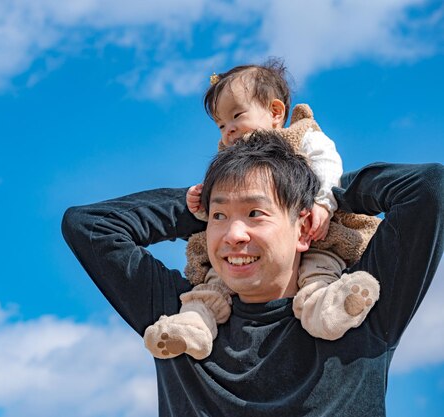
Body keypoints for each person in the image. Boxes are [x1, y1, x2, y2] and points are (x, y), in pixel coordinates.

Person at [62, 131, 444, 416]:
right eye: (218, 216)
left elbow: (430, 188)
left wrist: (329, 195)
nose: (233, 235)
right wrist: (194, 202)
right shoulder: (182, 321)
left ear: (304, 226)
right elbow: (89, 225)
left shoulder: (357, 307)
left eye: (255, 213)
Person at [144, 59, 380, 361]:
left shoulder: (301, 136)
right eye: (221, 125)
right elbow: (227, 208)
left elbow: (327, 164)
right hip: (251, 256)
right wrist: (199, 202)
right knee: (214, 281)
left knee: (320, 271)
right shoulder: (229, 161)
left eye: (237, 116)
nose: (228, 130)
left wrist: (323, 201)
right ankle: (193, 324)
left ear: (275, 112)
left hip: (318, 231)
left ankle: (328, 310)